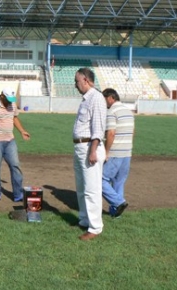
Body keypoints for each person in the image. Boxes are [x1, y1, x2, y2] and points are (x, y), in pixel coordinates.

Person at [73, 68, 107, 241]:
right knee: (81, 188)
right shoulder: (86, 100)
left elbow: (98, 128)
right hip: (80, 147)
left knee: (92, 189)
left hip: (89, 147)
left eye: (77, 81)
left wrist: (93, 150)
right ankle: (84, 219)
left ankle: (95, 227)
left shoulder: (97, 98)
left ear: (85, 80)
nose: (75, 85)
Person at [0, 87, 30, 202]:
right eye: (8, 99)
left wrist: (22, 131)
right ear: (1, 95)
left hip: (10, 141)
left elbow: (14, 118)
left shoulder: (12, 104)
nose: (10, 101)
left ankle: (18, 194)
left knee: (16, 166)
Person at [102, 88, 134, 218]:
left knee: (100, 179)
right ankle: (116, 213)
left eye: (104, 99)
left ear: (110, 98)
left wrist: (106, 151)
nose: (104, 103)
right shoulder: (129, 111)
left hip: (115, 152)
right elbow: (133, 132)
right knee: (119, 182)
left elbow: (111, 133)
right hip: (127, 152)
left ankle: (119, 202)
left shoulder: (112, 111)